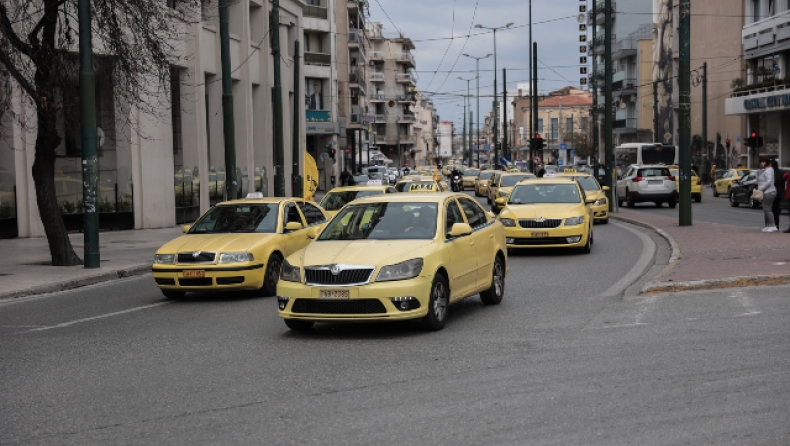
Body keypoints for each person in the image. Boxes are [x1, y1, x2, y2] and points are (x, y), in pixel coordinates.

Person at [757, 158, 777, 232]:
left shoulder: (768, 170)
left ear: (769, 163)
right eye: (761, 162)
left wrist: (761, 188)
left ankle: (772, 225)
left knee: (767, 209)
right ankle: (768, 225)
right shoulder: (767, 170)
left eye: (764, 162)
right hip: (768, 191)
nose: (762, 163)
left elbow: (768, 181)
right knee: (766, 209)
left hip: (768, 191)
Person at [770, 159, 784, 229]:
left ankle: (770, 225)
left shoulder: (770, 172)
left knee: (769, 209)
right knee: (776, 209)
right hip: (778, 192)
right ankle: (776, 225)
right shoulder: (781, 172)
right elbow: (782, 184)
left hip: (770, 192)